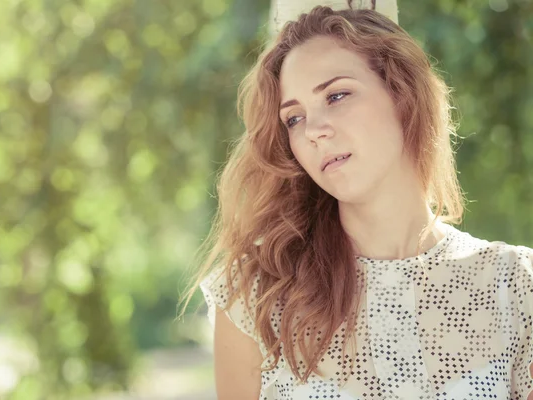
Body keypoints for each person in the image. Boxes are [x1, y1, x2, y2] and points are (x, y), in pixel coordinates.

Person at [178, 6, 533, 399]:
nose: (313, 130)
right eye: (293, 119)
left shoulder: (516, 285)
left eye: (337, 95)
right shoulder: (256, 296)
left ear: (403, 94)